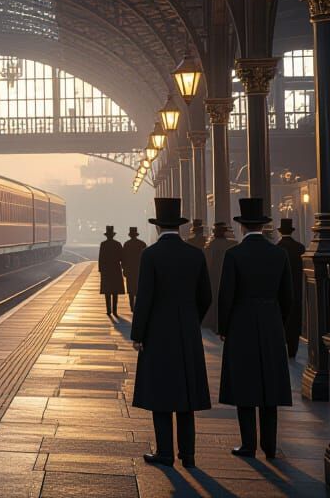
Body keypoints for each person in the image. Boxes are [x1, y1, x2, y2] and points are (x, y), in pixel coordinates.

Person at [132, 197, 212, 469]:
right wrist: (191, 320)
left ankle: (165, 453)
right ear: (178, 226)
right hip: (187, 333)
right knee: (186, 396)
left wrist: (138, 334)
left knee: (161, 394)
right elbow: (206, 297)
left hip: (157, 334)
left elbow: (144, 298)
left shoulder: (151, 255)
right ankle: (188, 456)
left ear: (157, 227)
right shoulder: (195, 255)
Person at [219, 198, 293, 459]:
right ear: (263, 226)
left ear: (242, 227)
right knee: (270, 387)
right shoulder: (279, 254)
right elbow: (288, 298)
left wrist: (224, 327)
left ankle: (248, 444)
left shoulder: (234, 255)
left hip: (242, 323)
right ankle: (270, 446)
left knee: (245, 385)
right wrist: (277, 322)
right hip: (271, 322)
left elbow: (226, 296)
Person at [276, 218, 305, 359]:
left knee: (283, 320)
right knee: (295, 320)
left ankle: (282, 346)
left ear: (280, 232)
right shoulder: (300, 248)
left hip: (281, 290)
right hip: (297, 289)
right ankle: (293, 350)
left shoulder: (277, 248)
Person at [202, 222, 232, 332]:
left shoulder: (210, 245)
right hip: (226, 274)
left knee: (214, 298)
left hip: (214, 276)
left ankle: (214, 323)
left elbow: (207, 263)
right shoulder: (230, 245)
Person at [98, 225, 125, 316]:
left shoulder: (103, 244)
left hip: (106, 270)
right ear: (113, 235)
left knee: (107, 291)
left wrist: (101, 269)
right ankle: (115, 310)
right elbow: (122, 257)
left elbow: (101, 258)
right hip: (116, 269)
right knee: (115, 291)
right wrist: (123, 267)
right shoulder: (118, 244)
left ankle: (108, 310)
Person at [121, 227, 146, 311]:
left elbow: (123, 258)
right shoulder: (142, 244)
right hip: (140, 269)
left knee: (130, 289)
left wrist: (123, 268)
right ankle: (138, 305)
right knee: (139, 288)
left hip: (130, 270)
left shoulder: (126, 244)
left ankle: (131, 306)